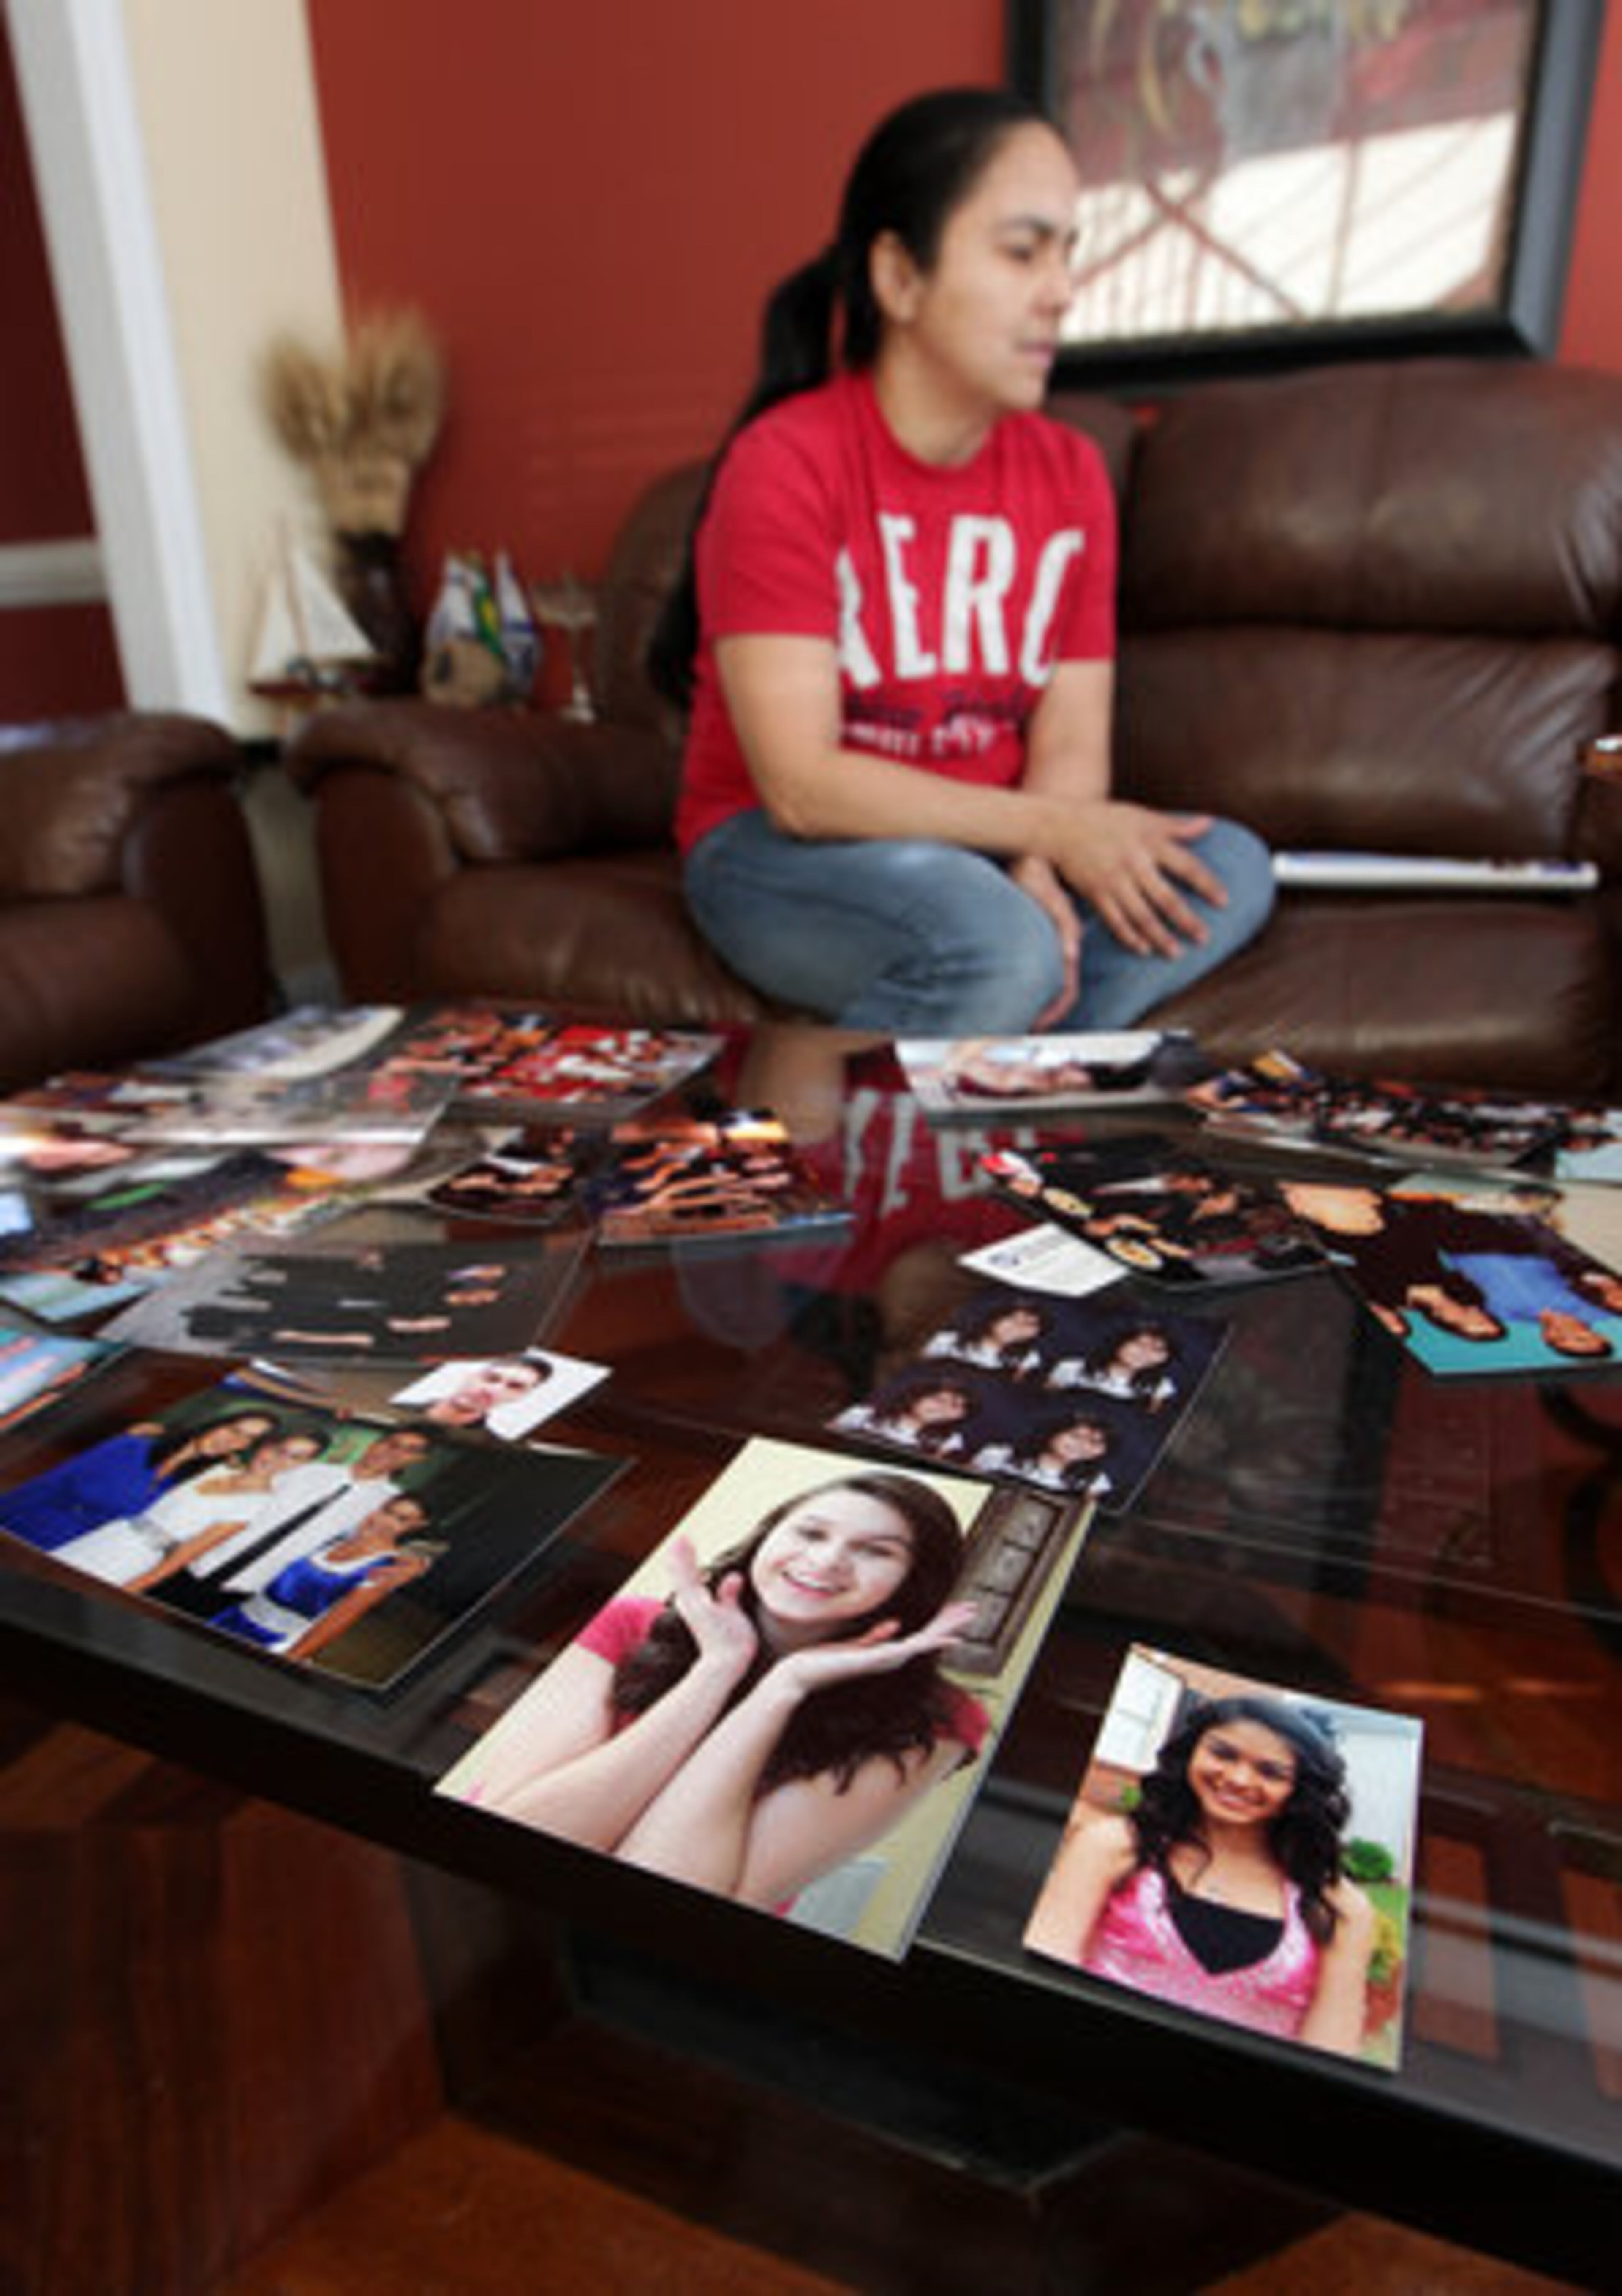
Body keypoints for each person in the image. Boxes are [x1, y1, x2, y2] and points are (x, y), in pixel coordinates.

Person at [652, 86, 1274, 1035]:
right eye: (1024, 251)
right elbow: (802, 786)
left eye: (1069, 250)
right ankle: (977, 1069)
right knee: (997, 941)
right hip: (777, 851)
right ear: (900, 277)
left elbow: (1070, 744)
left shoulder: (1070, 475)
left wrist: (1043, 861)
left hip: (979, 853)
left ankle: (987, 1057)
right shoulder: (786, 463)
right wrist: (1051, 836)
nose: (1063, 290)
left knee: (1227, 867)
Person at [459, 1472, 985, 1911]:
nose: (827, 1561)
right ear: (768, 1537)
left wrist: (780, 1690)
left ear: (915, 1581)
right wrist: (717, 1671)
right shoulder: (631, 1622)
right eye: (810, 1533)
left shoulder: (936, 1717)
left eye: (876, 1551)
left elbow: (664, 1899)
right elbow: (514, 1842)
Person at [1024, 1693, 1377, 2056]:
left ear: (1301, 1789)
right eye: (1223, 1754)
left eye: (1270, 1772)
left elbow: (1328, 2055)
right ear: (1191, 1752)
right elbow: (1041, 1972)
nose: (1239, 1779)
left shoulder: (1338, 1905)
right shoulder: (1114, 1846)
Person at [52, 1427, 326, 1588]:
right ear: (266, 1445)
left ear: (302, 1466)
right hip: (112, 1532)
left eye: (295, 1458)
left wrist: (134, 1588)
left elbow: (184, 1556)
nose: (280, 1460)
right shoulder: (221, 1465)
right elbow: (189, 1444)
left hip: (137, 1557)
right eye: (280, 1449)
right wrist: (150, 1429)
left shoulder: (254, 1506)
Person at [0, 1405, 281, 1554]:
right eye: (234, 1429)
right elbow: (48, 1482)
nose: (233, 1440)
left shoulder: (191, 1486)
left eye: (247, 1439)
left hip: (66, 1551)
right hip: (20, 1524)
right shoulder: (131, 1446)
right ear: (216, 1422)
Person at [206, 1494, 440, 1662]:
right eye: (387, 1511)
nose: (386, 1521)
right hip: (236, 1617)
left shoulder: (387, 1568)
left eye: (402, 1519)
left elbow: (338, 1622)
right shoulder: (340, 1537)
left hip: (275, 1640)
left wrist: (292, 1658)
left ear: (417, 1526)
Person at [831, 1363, 980, 1456]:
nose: (943, 1409)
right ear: (916, 1397)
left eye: (955, 1407)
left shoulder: (949, 1443)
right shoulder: (862, 1416)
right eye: (939, 1400)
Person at [969, 1403, 1114, 1497]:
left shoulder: (1094, 1482)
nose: (1081, 1446)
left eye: (1094, 1443)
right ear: (1052, 1432)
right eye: (1075, 1436)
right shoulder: (998, 1456)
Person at [1046, 1322, 1179, 1408]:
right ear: (1118, 1343)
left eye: (1158, 1350)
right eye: (1140, 1345)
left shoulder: (1161, 1386)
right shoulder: (1072, 1368)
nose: (1145, 1353)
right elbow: (1045, 1403)